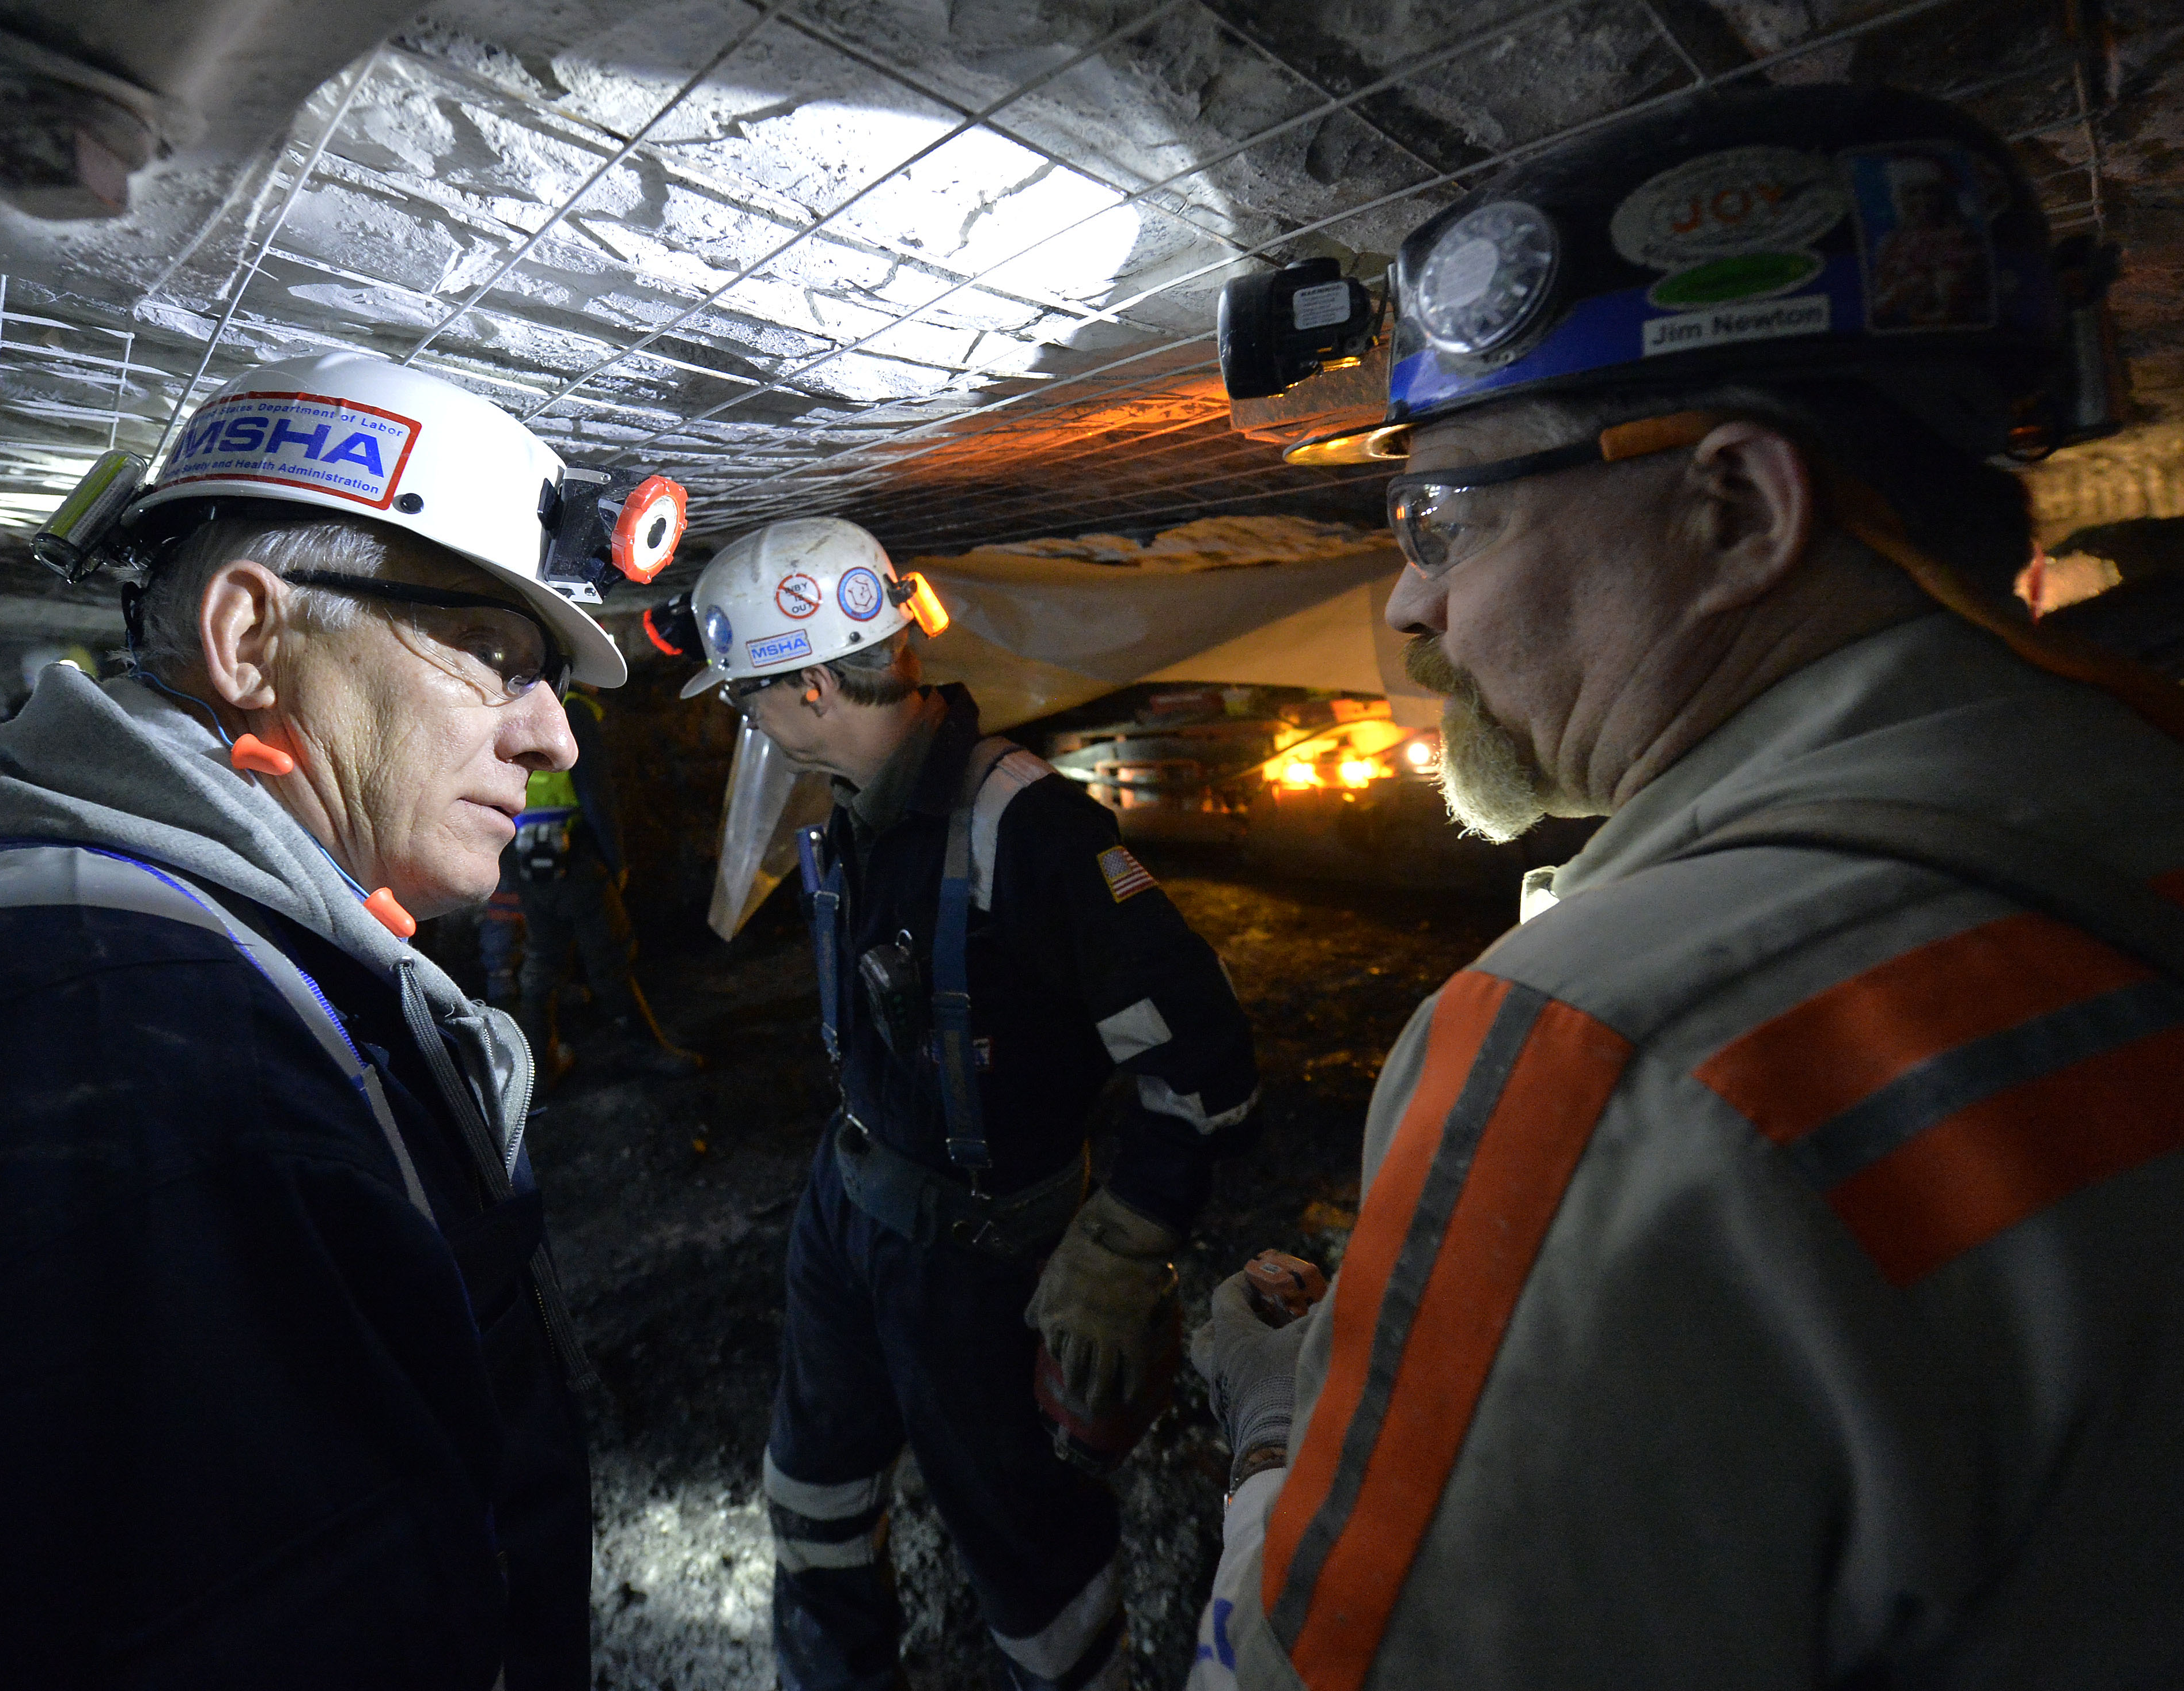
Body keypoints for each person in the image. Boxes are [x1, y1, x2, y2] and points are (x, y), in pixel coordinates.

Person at [1188, 86, 2184, 1688]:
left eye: (1441, 521)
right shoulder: (2133, 811)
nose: (1411, 612)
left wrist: (1271, 1439)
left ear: (1735, 511)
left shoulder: (1608, 1060)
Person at [0, 351, 677, 1688]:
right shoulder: (145, 1086)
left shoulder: (121, 972)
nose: (557, 740)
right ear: (254, 639)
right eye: (491, 655)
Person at [680, 517, 1261, 1691]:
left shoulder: (1025, 826)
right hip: (846, 1210)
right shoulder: (856, 803)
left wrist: (1128, 1232)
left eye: (747, 699)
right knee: (813, 1486)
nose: (747, 724)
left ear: (806, 686)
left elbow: (1204, 1055)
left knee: (1028, 1558)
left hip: (977, 1259)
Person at [509, 681, 700, 1080]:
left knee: (543, 961)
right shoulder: (573, 710)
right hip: (575, 854)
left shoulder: (515, 702)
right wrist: (616, 861)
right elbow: (596, 794)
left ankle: (538, 1071)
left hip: (524, 852)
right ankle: (644, 1049)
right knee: (610, 955)